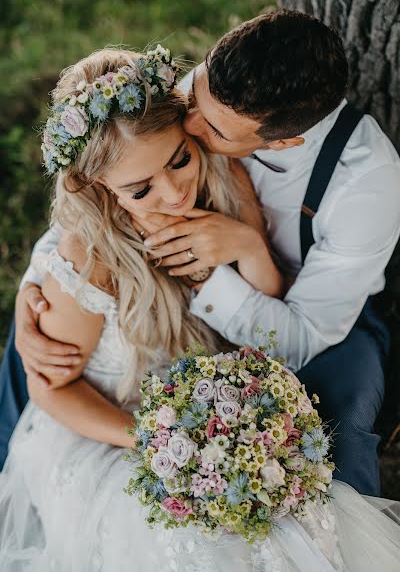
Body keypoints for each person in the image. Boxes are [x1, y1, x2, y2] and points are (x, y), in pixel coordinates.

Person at [1, 45, 400, 572]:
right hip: (115, 431)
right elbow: (50, 389)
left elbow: (275, 323)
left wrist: (247, 247)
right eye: (141, 189)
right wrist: (155, 438)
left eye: (179, 160)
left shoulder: (225, 171)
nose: (173, 193)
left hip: (223, 399)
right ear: (98, 189)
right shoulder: (89, 257)